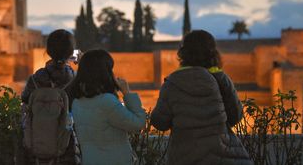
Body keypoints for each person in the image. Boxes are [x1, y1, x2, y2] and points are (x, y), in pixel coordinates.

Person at [151, 30, 252, 165]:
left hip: (185, 158)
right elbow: (235, 116)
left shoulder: (173, 83)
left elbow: (160, 123)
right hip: (223, 157)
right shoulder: (221, 79)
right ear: (212, 52)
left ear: (183, 53)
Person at [69, 49, 146, 165]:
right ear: (104, 72)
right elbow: (138, 124)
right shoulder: (107, 102)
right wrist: (127, 93)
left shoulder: (77, 103)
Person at [21, 29, 77, 165]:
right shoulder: (76, 80)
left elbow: (25, 101)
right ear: (71, 52)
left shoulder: (35, 80)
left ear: (48, 51)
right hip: (67, 147)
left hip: (36, 146)